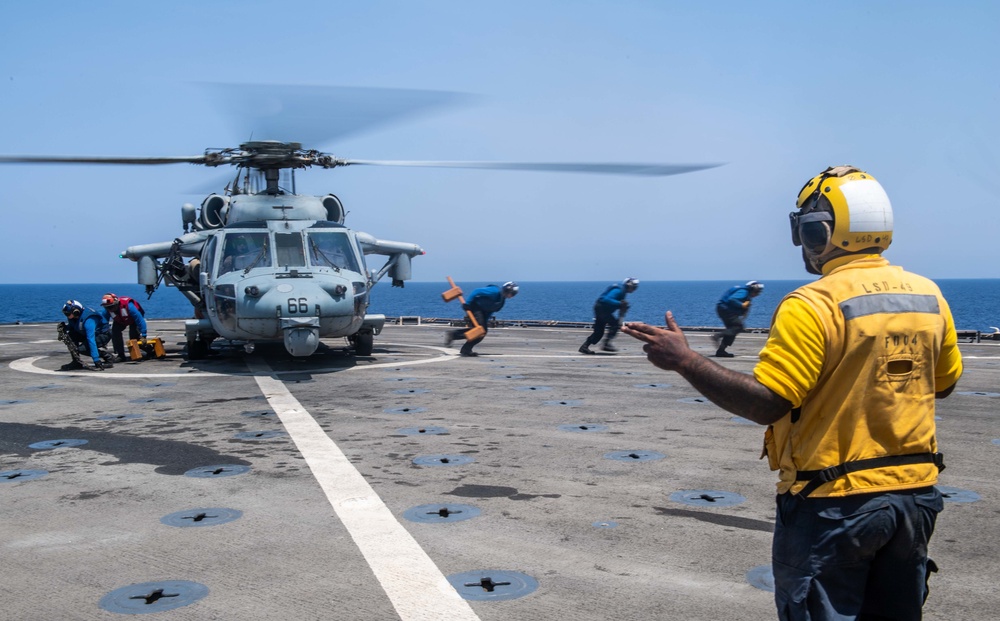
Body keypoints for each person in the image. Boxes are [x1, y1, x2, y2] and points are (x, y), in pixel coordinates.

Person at [622, 166, 963, 620]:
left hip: (834, 504)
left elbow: (769, 402)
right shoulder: (929, 296)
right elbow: (944, 384)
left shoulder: (813, 303)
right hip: (914, 499)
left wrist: (684, 360)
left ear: (821, 230)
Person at [445, 281, 519, 357]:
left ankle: (464, 347)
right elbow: (476, 291)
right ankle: (455, 336)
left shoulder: (501, 301)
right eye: (511, 293)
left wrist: (485, 322)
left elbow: (490, 311)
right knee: (480, 330)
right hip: (475, 308)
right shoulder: (494, 291)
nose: (511, 295)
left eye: (513, 294)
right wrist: (467, 303)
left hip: (483, 313)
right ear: (506, 290)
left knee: (482, 332)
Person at [579, 277, 639, 354]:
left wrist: (621, 306)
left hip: (600, 308)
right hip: (602, 309)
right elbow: (605, 299)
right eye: (634, 287)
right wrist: (619, 304)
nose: (634, 289)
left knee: (599, 331)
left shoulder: (622, 290)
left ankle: (584, 347)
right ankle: (606, 344)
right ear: (629, 285)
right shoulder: (619, 290)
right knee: (614, 325)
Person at [712, 280, 764, 357]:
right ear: (752, 288)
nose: (757, 294)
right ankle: (718, 336)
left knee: (732, 330)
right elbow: (732, 299)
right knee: (738, 327)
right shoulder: (744, 292)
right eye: (756, 291)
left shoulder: (746, 294)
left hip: (724, 309)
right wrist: (742, 305)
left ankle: (721, 351)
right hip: (726, 310)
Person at [58, 300, 115, 370]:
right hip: (88, 333)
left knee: (82, 349)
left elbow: (91, 339)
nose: (67, 316)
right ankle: (76, 362)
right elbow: (74, 326)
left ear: (76, 312)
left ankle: (108, 357)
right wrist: (65, 327)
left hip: (103, 334)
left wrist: (96, 359)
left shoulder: (89, 320)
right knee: (71, 335)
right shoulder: (74, 317)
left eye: (68, 314)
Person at [100, 293, 148, 363]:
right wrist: (103, 338)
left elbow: (140, 320)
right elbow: (103, 324)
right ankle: (120, 355)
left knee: (134, 336)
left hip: (133, 320)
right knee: (115, 332)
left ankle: (147, 350)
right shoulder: (107, 311)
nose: (110, 309)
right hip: (121, 320)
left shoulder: (129, 306)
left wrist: (144, 335)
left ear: (116, 303)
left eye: (111, 307)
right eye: (107, 308)